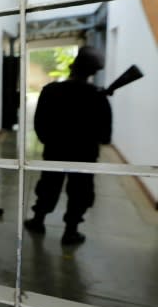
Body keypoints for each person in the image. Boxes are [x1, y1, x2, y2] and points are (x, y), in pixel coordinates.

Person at [24, 46, 112, 245]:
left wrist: (51, 140)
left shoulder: (50, 91)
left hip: (55, 150)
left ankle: (38, 221)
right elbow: (105, 136)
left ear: (72, 67)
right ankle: (70, 231)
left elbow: (39, 125)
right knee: (80, 192)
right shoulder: (98, 97)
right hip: (85, 155)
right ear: (93, 72)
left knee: (48, 186)